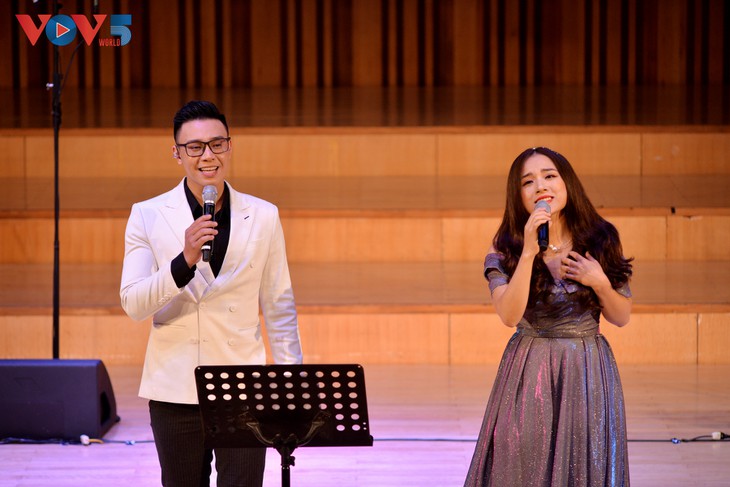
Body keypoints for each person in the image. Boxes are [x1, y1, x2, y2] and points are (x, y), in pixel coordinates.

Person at [120, 100, 303, 486]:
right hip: (174, 387)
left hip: (243, 386)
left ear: (229, 146)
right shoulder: (147, 214)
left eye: (217, 144)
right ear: (177, 153)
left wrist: (291, 382)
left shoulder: (263, 214)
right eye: (195, 147)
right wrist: (183, 261)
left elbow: (279, 304)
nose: (208, 155)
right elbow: (134, 303)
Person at [464, 147, 633, 487]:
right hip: (530, 370)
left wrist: (600, 282)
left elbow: (621, 316)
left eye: (549, 176)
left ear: (567, 183)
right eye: (528, 182)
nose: (540, 186)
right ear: (518, 196)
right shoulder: (505, 251)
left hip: (587, 369)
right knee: (523, 462)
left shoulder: (600, 238)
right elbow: (509, 314)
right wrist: (529, 251)